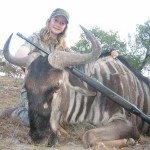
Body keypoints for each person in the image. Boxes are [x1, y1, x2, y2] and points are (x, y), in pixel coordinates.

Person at [1, 8, 70, 126]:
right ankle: (15, 112)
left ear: (65, 27)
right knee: (38, 121)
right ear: (49, 21)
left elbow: (78, 60)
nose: (58, 24)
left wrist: (106, 53)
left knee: (64, 119)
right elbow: (21, 53)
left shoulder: (64, 47)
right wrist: (30, 68)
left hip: (55, 92)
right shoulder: (36, 38)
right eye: (56, 20)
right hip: (34, 90)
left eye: (62, 23)